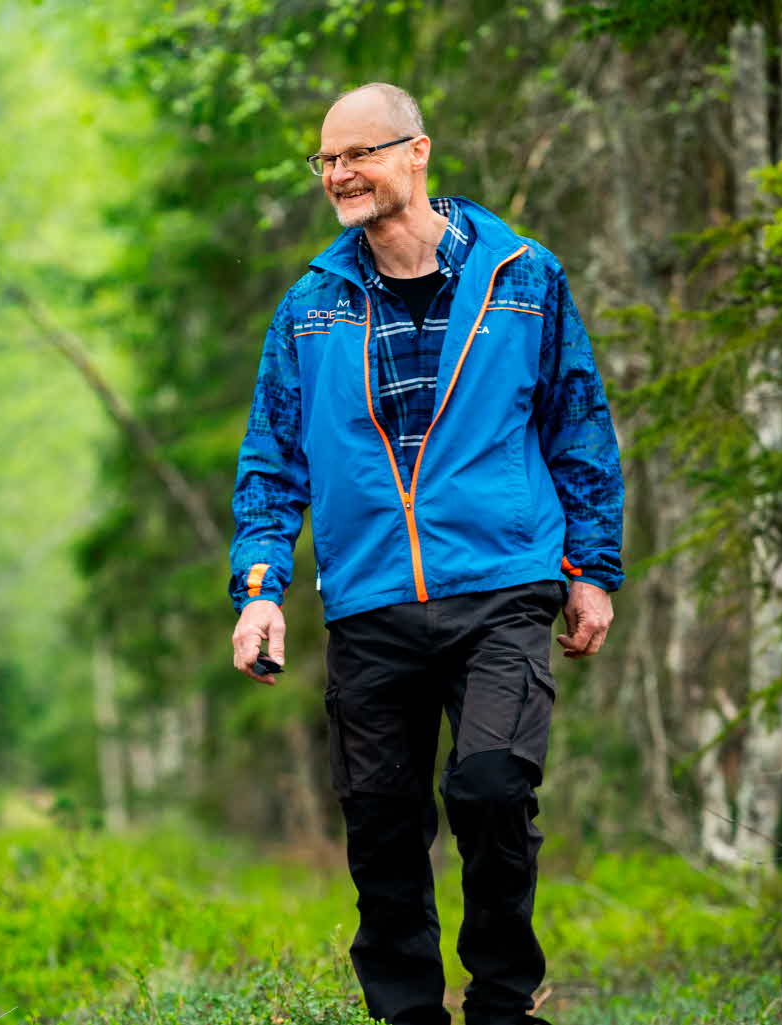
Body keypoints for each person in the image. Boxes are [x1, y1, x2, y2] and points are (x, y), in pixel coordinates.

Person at [227, 84, 624, 1025]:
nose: (338, 174)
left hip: (500, 587)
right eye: (325, 160)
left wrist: (593, 570)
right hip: (368, 601)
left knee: (490, 787)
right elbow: (272, 460)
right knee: (381, 821)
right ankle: (406, 1012)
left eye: (357, 153)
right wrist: (260, 588)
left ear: (417, 153)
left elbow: (579, 425)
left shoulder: (524, 277)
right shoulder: (311, 307)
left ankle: (499, 1000)